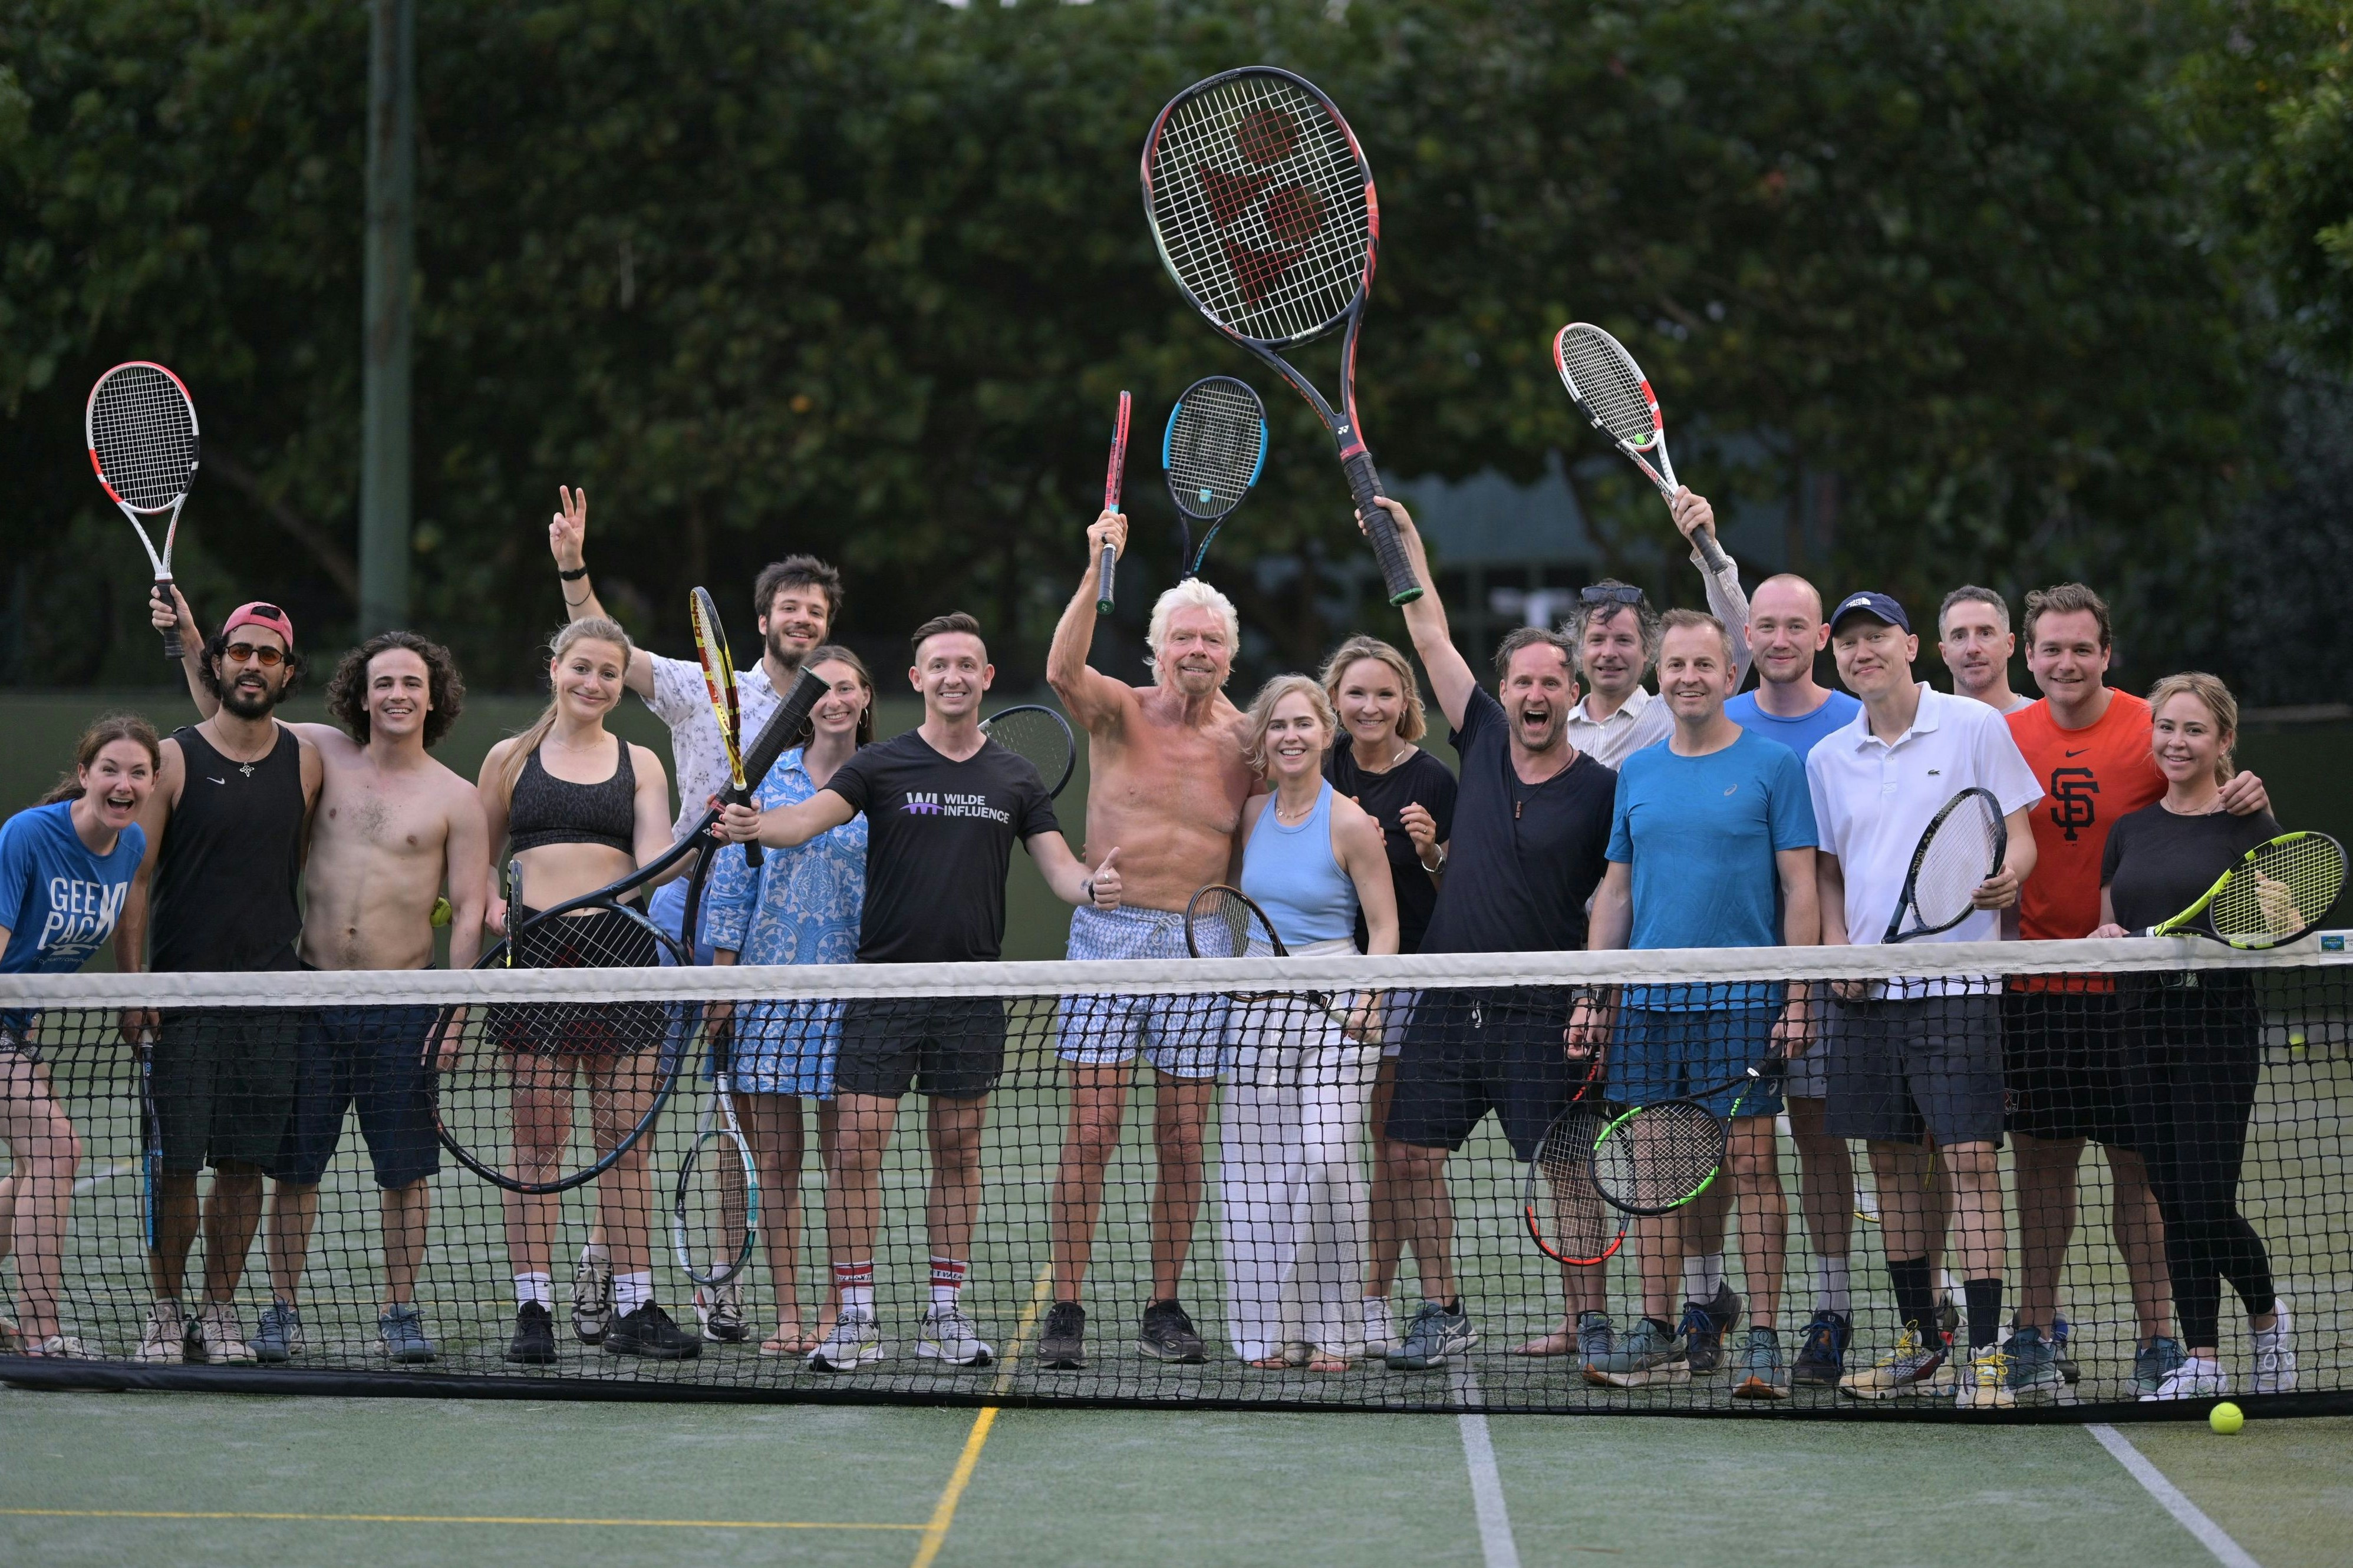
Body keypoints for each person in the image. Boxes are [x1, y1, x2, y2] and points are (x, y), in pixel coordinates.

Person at [720, 612, 1122, 1372]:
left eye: (966, 665)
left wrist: (1092, 887)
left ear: (986, 679)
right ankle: (857, 1316)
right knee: (856, 1148)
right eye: (938, 665)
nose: (952, 677)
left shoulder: (1014, 777)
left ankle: (944, 1312)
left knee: (958, 1148)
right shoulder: (881, 768)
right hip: (883, 987)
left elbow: (1060, 868)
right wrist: (754, 824)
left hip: (969, 991)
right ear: (916, 680)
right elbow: (804, 821)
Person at [156, 593, 490, 1364]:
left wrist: (456, 1013)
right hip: (305, 999)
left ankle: (400, 1310)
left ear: (433, 696)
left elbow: (469, 912)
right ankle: (279, 1309)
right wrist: (189, 638)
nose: (397, 695)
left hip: (403, 1007)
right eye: (383, 683)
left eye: (411, 683)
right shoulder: (316, 752)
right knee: (293, 1169)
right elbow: (228, 715)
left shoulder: (459, 798)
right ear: (360, 694)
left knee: (405, 1175)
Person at [1358, 497, 1619, 1372]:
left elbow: (1612, 905)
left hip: (1541, 1012)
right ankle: (1443, 1310)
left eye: (1554, 682)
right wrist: (1412, 557)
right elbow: (1428, 631)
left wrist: (1594, 997)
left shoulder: (1602, 789)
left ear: (1574, 696)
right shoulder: (1481, 740)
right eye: (1523, 682)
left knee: (1568, 1169)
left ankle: (1590, 1322)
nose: (1537, 694)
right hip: (1449, 997)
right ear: (1501, 693)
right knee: (1406, 1154)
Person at [1993, 585, 2268, 1401]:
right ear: (2029, 655)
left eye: (2082, 647)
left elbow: (2212, 811)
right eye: (2051, 648)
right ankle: (2035, 1331)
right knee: (2042, 1164)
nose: (2066, 662)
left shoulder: (2153, 734)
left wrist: (2255, 795)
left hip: (2138, 997)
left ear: (2107, 654)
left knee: (2143, 1173)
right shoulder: (2003, 737)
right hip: (2038, 985)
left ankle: (2161, 1340)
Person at [1805, 592, 2041, 1408]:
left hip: (1958, 984)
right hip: (1866, 995)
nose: (1862, 652)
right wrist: (1838, 949)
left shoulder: (1976, 728)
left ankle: (1985, 1352)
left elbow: (2021, 831)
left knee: (1973, 1161)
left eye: (1877, 638)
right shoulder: (1828, 757)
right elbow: (1831, 872)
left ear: (1912, 646)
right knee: (1893, 1164)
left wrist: (2015, 873)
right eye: (1849, 643)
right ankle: (1918, 1338)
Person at [1576, 610, 1819, 1399]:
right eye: (1674, 665)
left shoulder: (1774, 765)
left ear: (1728, 673)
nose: (1688, 678)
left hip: (1743, 1002)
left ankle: (1767, 1343)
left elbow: (1800, 887)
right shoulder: (1638, 773)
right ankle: (1657, 1331)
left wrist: (1799, 994)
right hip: (1649, 1005)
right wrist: (1594, 995)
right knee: (1655, 1176)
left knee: (1751, 1166)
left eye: (1703, 666)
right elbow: (1615, 894)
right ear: (1660, 669)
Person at [1037, 511, 1259, 1369]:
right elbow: (1061, 667)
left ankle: (1164, 1304)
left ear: (1229, 656)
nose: (1196, 649)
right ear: (1156, 648)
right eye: (1182, 636)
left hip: (1203, 947)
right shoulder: (1117, 712)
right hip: (1107, 936)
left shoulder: (1247, 742)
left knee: (1181, 1138)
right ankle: (1066, 1305)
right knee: (1090, 1131)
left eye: (1210, 638)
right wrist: (1100, 564)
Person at [479, 615, 694, 1363]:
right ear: (554, 667)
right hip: (535, 957)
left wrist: (702, 838)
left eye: (609, 673)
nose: (594, 683)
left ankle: (635, 1308)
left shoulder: (640, 762)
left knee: (623, 1144)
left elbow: (655, 862)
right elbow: (477, 859)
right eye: (582, 668)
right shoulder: (509, 758)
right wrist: (489, 908)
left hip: (618, 955)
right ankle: (533, 1310)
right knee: (538, 1143)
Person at [118, 602, 324, 1365]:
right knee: (177, 1164)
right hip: (181, 1001)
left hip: (272, 998)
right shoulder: (171, 758)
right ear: (218, 663)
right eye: (240, 651)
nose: (252, 665)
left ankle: (220, 1313)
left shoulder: (305, 761)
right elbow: (138, 880)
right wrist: (134, 989)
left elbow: (291, 865)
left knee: (243, 1168)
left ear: (287, 674)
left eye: (268, 656)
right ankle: (166, 1313)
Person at [2091, 672, 2298, 1401]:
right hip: (2140, 1028)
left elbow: (2286, 915)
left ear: (2222, 742)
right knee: (2169, 1199)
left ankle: (2268, 1321)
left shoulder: (2248, 823)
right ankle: (2202, 1358)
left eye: (2192, 731)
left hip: (2216, 1030)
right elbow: (2106, 922)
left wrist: (2264, 815)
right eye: (2165, 728)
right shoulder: (2130, 829)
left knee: (2205, 1199)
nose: (2175, 743)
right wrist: (2107, 935)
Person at [1217, 675, 1399, 1369]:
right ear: (1262, 742)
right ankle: (1272, 1334)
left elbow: (1383, 926)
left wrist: (1370, 998)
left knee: (1326, 1162)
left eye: (1303, 724)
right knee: (1261, 1176)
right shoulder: (1251, 814)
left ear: (1327, 734)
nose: (1290, 736)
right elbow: (1238, 902)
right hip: (1260, 1004)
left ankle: (1336, 1331)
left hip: (1339, 1002)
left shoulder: (1350, 821)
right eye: (1277, 726)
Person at [702, 647, 875, 1356]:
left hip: (854, 996)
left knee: (846, 1162)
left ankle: (840, 1310)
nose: (832, 700)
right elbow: (732, 886)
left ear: (866, 697)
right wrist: (721, 982)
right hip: (767, 995)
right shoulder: (764, 780)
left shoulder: (884, 780)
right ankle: (788, 1312)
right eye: (820, 690)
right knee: (774, 1164)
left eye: (845, 688)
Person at [1722, 572, 1864, 1387]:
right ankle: (1710, 1302)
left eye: (1795, 626)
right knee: (1721, 1149)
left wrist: (1813, 973)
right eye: (1764, 625)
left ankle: (1832, 1309)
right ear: (1748, 637)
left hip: (1818, 974)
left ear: (1820, 639)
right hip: (1729, 976)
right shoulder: (1715, 720)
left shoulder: (1853, 721)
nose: (1778, 638)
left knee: (1818, 1138)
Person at [0, 717, 158, 1356]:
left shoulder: (132, 843)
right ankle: (42, 1335)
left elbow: (127, 913)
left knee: (31, 1167)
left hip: (17, 1022)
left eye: (138, 773)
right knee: (59, 1150)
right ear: (85, 775)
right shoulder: (27, 836)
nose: (124, 784)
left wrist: (132, 991)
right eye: (111, 770)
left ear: (153, 782)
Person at [1318, 635, 1455, 1356]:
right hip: (1326, 981)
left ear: (1405, 703)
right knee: (1328, 1147)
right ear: (1334, 700)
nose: (1368, 707)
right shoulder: (1319, 764)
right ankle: (1327, 1300)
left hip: (1403, 980)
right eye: (1355, 694)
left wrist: (1429, 850)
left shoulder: (1431, 779)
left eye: (1383, 694)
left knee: (1389, 1146)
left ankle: (1373, 1299)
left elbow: (1453, 890)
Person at [1561, 490, 1752, 767]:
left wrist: (1706, 547)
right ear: (1579, 649)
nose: (1609, 652)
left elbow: (1741, 642)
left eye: (1624, 640)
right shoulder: (1556, 728)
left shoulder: (1678, 711)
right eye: (1598, 640)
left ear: (1648, 649)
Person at [1937, 587, 2032, 714]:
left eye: (1985, 634)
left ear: (2009, 644)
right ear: (1944, 653)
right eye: (1959, 636)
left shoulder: (2047, 723)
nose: (1972, 648)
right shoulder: (1925, 729)